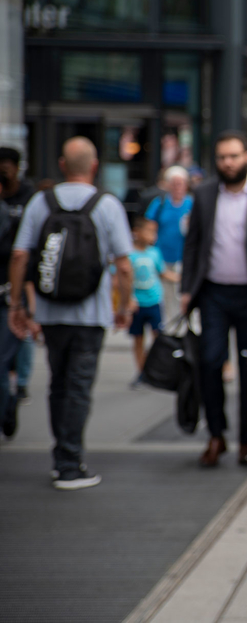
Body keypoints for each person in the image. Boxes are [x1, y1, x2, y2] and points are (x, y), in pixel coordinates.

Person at [8, 137, 134, 489]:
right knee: (78, 387)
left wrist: (18, 305)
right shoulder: (106, 205)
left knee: (57, 385)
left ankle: (60, 456)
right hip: (90, 314)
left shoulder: (40, 202)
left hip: (50, 312)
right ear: (94, 166)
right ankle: (69, 463)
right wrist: (124, 307)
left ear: (62, 165)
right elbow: (123, 266)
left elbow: (20, 256)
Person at [181, 130, 247, 468]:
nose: (227, 163)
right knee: (210, 363)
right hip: (212, 293)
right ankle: (216, 435)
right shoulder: (204, 194)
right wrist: (186, 289)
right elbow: (193, 244)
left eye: (233, 156)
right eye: (222, 157)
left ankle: (245, 440)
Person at [0, 146, 35, 432]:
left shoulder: (29, 196)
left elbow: (23, 253)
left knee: (15, 340)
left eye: (9, 164)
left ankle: (18, 386)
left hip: (14, 282)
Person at [128, 218, 179, 388]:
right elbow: (119, 279)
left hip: (154, 301)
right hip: (136, 304)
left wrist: (183, 280)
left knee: (159, 337)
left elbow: (163, 272)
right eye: (149, 231)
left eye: (154, 232)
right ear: (137, 232)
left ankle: (156, 369)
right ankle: (142, 372)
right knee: (138, 339)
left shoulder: (154, 253)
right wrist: (126, 300)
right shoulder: (128, 254)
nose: (153, 236)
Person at [145, 165, 193, 322]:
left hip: (184, 257)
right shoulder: (160, 203)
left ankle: (185, 330)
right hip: (163, 256)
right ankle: (169, 331)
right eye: (174, 183)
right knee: (165, 298)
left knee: (182, 295)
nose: (178, 187)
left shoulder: (191, 204)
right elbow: (149, 226)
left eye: (181, 183)